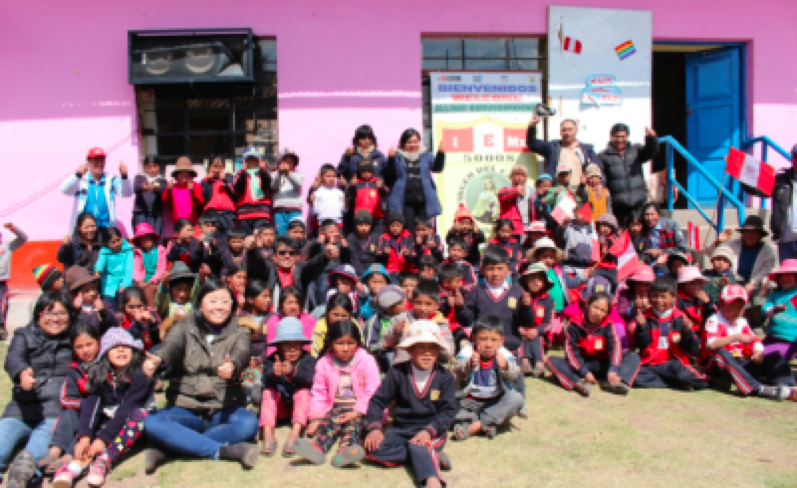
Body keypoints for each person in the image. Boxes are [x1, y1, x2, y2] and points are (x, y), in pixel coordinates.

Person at [142, 279, 260, 473]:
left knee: (248, 424)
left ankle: (170, 448)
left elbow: (242, 352)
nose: (219, 307)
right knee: (152, 422)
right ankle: (223, 451)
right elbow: (171, 345)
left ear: (232, 304)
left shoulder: (241, 330)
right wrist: (158, 359)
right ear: (200, 305)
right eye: (212, 301)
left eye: (224, 301)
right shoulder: (184, 327)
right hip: (186, 407)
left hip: (223, 407)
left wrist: (233, 366)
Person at [52, 327, 154, 487]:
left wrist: (103, 439)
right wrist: (84, 436)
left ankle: (104, 460)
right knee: (93, 433)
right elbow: (92, 406)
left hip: (137, 426)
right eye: (114, 347)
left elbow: (128, 407)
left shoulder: (141, 374)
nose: (120, 350)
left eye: (125, 346)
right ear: (105, 353)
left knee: (139, 415)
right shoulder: (102, 375)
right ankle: (71, 470)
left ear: (134, 350)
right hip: (113, 422)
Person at [363, 320, 457, 488]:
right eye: (421, 347)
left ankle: (431, 480)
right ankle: (429, 456)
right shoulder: (397, 373)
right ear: (410, 349)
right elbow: (378, 401)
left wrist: (429, 431)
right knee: (372, 449)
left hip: (431, 430)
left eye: (433, 348)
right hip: (401, 429)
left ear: (438, 350)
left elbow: (448, 411)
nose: (427, 353)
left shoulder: (445, 377)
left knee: (418, 445)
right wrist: (375, 428)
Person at [0, 292, 75, 488]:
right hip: (21, 408)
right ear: (38, 314)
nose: (55, 318)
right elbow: (12, 359)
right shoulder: (24, 335)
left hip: (53, 411)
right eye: (49, 313)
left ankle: (22, 479)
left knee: (34, 454)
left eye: (61, 313)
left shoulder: (75, 336)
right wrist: (22, 373)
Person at [294, 319, 380, 467]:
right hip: (334, 409)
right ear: (330, 343)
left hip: (361, 410)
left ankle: (344, 453)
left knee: (353, 426)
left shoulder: (366, 360)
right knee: (329, 424)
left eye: (350, 343)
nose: (345, 348)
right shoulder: (324, 363)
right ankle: (317, 449)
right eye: (340, 343)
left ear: (358, 343)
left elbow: (373, 389)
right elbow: (319, 392)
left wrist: (357, 411)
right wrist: (316, 417)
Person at [703, 285, 797, 401]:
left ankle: (789, 386)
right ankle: (758, 388)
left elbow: (754, 340)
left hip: (739, 363)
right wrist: (736, 337)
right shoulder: (714, 320)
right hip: (717, 365)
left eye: (740, 307)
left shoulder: (742, 322)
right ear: (721, 304)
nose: (737, 311)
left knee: (774, 357)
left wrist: (758, 352)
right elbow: (711, 345)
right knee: (722, 354)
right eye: (732, 306)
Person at [547, 292, 640, 397]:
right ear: (588, 305)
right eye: (595, 307)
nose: (598, 313)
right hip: (582, 364)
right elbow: (571, 352)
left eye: (603, 310)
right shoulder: (574, 323)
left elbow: (615, 347)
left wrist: (613, 369)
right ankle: (578, 384)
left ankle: (616, 383)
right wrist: (584, 372)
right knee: (552, 361)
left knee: (633, 356)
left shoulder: (609, 325)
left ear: (606, 314)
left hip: (603, 364)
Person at [40, 321, 100, 477]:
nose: (85, 350)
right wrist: (84, 404)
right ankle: (54, 452)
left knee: (88, 424)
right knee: (68, 414)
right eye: (79, 347)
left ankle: (68, 456)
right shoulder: (74, 370)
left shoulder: (105, 366)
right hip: (79, 408)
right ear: (73, 349)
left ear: (98, 342)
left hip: (97, 414)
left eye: (89, 344)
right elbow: (66, 398)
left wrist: (89, 407)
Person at [452, 315, 523, 441]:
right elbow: (458, 372)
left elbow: (515, 375)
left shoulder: (505, 356)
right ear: (474, 338)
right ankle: (489, 424)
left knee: (516, 398)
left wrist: (506, 367)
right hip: (469, 403)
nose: (489, 344)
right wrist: (469, 365)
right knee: (449, 405)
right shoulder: (467, 353)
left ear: (502, 340)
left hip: (494, 402)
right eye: (483, 339)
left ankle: (475, 426)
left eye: (494, 340)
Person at [633, 276, 708, 390]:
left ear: (674, 297)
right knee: (634, 378)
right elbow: (642, 344)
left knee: (685, 376)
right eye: (655, 296)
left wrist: (687, 332)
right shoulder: (645, 317)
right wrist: (641, 328)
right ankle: (672, 382)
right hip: (650, 362)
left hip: (672, 362)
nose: (658, 300)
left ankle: (678, 380)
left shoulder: (679, 318)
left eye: (663, 297)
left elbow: (690, 348)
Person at [258, 317, 316, 458]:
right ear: (279, 346)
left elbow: (309, 379)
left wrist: (292, 372)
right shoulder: (273, 359)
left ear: (302, 345)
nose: (292, 349)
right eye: (286, 345)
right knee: (267, 392)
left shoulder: (308, 360)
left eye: (296, 344)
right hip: (280, 408)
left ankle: (295, 434)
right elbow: (265, 379)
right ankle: (268, 434)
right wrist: (274, 374)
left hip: (300, 410)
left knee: (303, 392)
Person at [599, 124, 660, 227]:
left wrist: (651, 139)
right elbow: (602, 177)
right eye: (617, 136)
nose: (620, 140)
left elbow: (650, 152)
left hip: (638, 202)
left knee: (640, 235)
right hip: (618, 205)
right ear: (611, 137)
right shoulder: (603, 156)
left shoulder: (636, 150)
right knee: (622, 235)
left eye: (623, 136)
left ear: (627, 137)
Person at [384, 129, 446, 232]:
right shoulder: (398, 156)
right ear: (403, 143)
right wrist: (391, 159)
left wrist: (441, 153)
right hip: (406, 201)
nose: (413, 144)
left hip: (424, 200)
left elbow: (437, 168)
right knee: (409, 230)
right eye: (409, 142)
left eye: (415, 141)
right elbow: (389, 175)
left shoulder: (426, 155)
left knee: (425, 230)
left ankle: (426, 248)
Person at [60, 147, 132, 231]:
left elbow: (127, 193)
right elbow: (64, 189)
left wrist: (124, 176)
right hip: (85, 230)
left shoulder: (111, 179)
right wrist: (77, 174)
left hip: (105, 229)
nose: (100, 163)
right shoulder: (81, 179)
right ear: (88, 162)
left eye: (102, 160)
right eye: (96, 160)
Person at [526, 116, 602, 190]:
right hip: (558, 192)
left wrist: (600, 185)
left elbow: (599, 169)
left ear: (576, 130)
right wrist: (532, 126)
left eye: (570, 130)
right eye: (564, 130)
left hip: (580, 191)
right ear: (560, 132)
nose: (567, 133)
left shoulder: (586, 149)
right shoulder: (553, 147)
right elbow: (532, 144)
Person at [712, 215, 777, 297]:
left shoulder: (767, 251)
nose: (750, 235)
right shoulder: (733, 244)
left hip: (756, 285)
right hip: (732, 282)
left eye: (754, 233)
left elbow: (766, 270)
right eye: (747, 232)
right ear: (743, 233)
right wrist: (718, 241)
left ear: (760, 235)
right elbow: (710, 253)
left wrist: (752, 283)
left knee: (760, 298)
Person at [517, 262, 555, 377]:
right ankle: (525, 361)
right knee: (522, 335)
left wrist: (537, 330)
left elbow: (549, 322)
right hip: (523, 332)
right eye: (532, 279)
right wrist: (519, 328)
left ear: (544, 283)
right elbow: (514, 316)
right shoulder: (520, 297)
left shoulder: (548, 300)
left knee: (536, 336)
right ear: (526, 282)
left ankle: (539, 362)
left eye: (539, 279)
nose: (535, 282)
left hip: (540, 334)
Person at [761, 260, 797, 361]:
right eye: (782, 275)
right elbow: (764, 309)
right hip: (771, 337)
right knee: (755, 351)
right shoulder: (775, 294)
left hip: (790, 341)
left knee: (767, 355)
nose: (785, 278)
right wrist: (774, 309)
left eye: (789, 275)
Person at [93, 227, 134, 313]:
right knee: (109, 307)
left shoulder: (128, 251)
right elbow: (101, 262)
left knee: (124, 306)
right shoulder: (104, 251)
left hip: (124, 281)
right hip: (108, 284)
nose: (117, 244)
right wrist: (98, 271)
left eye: (118, 240)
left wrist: (125, 284)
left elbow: (129, 269)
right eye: (113, 242)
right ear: (106, 243)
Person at [234, 146, 273, 235]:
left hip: (261, 212)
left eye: (254, 159)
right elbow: (238, 189)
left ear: (259, 161)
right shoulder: (239, 174)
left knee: (260, 238)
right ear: (244, 162)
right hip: (245, 213)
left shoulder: (264, 173)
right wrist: (243, 174)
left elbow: (269, 185)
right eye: (248, 160)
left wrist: (262, 171)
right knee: (247, 239)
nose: (251, 162)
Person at [640, 203, 688, 270]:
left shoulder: (671, 225)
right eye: (646, 215)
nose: (649, 218)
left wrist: (661, 252)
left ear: (658, 215)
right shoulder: (641, 229)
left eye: (652, 214)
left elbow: (682, 248)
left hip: (670, 264)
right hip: (650, 265)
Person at [345, 159, 387, 236]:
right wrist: (352, 186)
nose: (366, 174)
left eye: (369, 171)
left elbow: (385, 195)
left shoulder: (377, 182)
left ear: (372, 172)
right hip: (361, 217)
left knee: (377, 238)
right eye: (364, 172)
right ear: (360, 172)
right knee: (361, 238)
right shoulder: (356, 183)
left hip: (376, 216)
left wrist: (381, 188)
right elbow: (349, 195)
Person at [770, 144, 797, 261]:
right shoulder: (779, 179)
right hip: (786, 241)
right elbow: (757, 189)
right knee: (786, 278)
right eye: (796, 156)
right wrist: (740, 172)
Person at [0, 222, 27, 339]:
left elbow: (23, 238)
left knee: (2, 304)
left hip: (1, 283)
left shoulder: (7, 247)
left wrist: (13, 228)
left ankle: (1, 328)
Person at [162, 156, 204, 229]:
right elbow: (165, 200)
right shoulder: (173, 187)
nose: (184, 178)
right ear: (176, 176)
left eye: (187, 176)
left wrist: (192, 191)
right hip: (178, 221)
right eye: (181, 175)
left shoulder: (196, 186)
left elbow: (200, 202)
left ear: (191, 176)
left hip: (193, 221)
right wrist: (168, 190)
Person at [131, 223, 167, 308]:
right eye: (142, 238)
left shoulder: (161, 250)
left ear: (153, 238)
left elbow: (161, 269)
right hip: (141, 281)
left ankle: (152, 313)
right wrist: (139, 281)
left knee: (149, 289)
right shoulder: (137, 252)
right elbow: (136, 268)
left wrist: (150, 281)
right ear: (139, 240)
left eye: (148, 237)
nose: (146, 240)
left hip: (155, 281)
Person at [200, 155, 237, 237]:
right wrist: (207, 182)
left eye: (220, 167)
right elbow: (203, 198)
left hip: (228, 212)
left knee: (228, 237)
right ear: (209, 167)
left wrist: (225, 181)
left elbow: (234, 193)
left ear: (224, 167)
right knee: (211, 237)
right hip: (211, 212)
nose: (217, 170)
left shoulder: (230, 178)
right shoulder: (204, 181)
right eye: (215, 166)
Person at [271, 149, 304, 236]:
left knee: (296, 232)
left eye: (290, 162)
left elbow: (298, 184)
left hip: (295, 208)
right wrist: (279, 173)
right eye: (285, 161)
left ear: (294, 164)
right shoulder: (274, 174)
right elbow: (274, 186)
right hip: (279, 209)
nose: (288, 164)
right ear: (280, 163)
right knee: (281, 232)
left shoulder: (298, 174)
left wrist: (288, 173)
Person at [132, 156, 167, 236]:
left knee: (155, 235)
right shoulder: (140, 178)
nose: (152, 170)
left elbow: (162, 188)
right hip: (140, 213)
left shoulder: (161, 180)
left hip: (155, 214)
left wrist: (154, 188)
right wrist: (142, 187)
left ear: (159, 167)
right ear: (145, 167)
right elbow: (135, 187)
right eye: (149, 167)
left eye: (155, 166)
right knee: (141, 235)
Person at [497, 165, 534, 236]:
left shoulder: (530, 191)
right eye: (516, 174)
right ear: (511, 177)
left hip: (525, 225)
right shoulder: (506, 189)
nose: (519, 177)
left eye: (522, 174)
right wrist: (517, 190)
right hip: (508, 227)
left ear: (526, 177)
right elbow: (501, 196)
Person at [446, 204, 485, 271]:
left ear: (471, 224)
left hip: (474, 264)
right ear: (456, 223)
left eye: (468, 224)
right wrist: (453, 231)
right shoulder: (455, 233)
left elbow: (482, 239)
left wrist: (478, 232)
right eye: (462, 223)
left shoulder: (473, 233)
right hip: (458, 263)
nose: (465, 226)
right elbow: (448, 240)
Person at [347, 210, 379, 277]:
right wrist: (364, 276)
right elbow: (354, 261)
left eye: (367, 225)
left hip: (373, 270)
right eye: (360, 225)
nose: (364, 228)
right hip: (357, 271)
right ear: (355, 225)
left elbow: (377, 259)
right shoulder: (351, 238)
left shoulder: (376, 237)